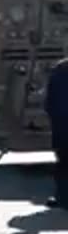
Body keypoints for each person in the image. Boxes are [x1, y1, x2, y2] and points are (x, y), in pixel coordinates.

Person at [44, 57, 68, 208]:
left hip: (63, 127)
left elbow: (49, 102)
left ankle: (63, 197)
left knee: (64, 163)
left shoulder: (60, 69)